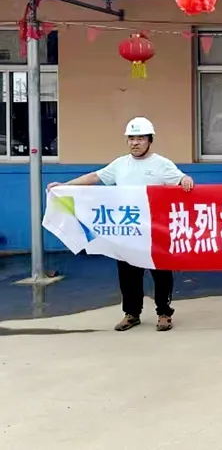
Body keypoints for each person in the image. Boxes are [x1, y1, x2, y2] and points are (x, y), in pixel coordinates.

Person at [47, 117, 193, 332]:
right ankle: (131, 314)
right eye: (131, 138)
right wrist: (65, 186)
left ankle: (164, 313)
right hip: (128, 230)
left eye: (140, 138)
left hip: (155, 231)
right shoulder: (120, 164)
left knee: (161, 272)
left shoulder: (161, 164)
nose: (135, 143)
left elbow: (180, 179)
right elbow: (95, 177)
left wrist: (185, 179)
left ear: (150, 140)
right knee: (128, 274)